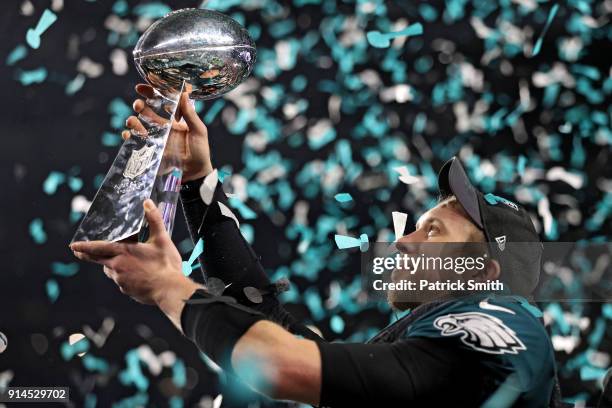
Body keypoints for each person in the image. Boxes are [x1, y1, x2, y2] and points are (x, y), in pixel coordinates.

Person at [71, 84, 563, 407]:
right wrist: (198, 182)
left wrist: (166, 286)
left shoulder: (503, 324)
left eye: (432, 232)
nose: (403, 241)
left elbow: (281, 363)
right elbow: (290, 340)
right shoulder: (438, 349)